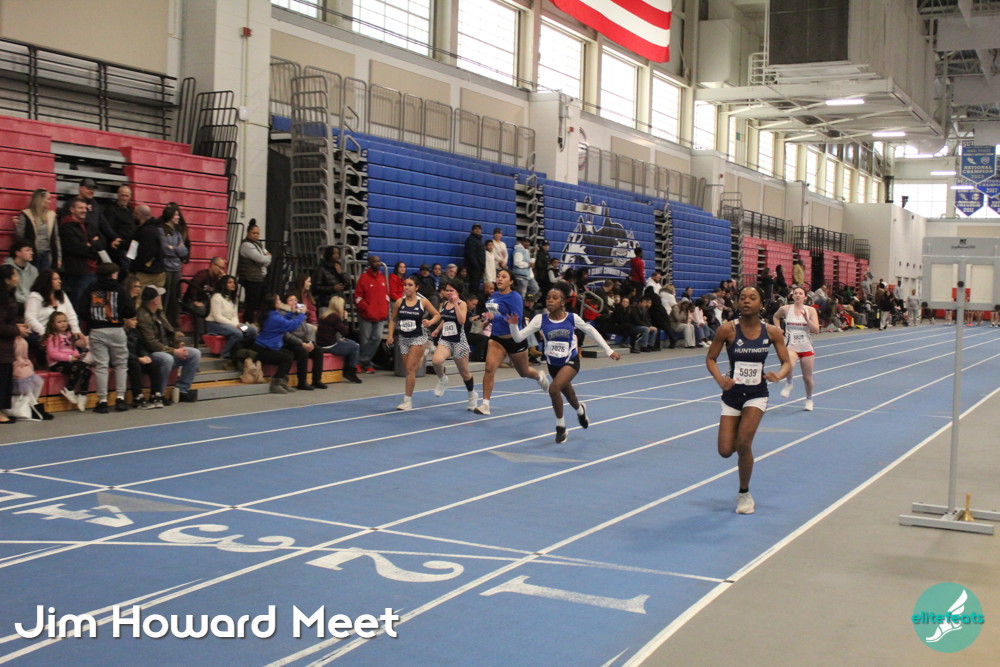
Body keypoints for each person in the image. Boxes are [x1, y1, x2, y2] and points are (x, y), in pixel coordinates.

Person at [706, 285, 792, 514]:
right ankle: (739, 440)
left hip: (757, 394)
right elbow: (711, 359)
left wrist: (779, 375)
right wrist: (720, 380)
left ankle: (744, 494)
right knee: (726, 450)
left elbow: (786, 362)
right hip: (731, 395)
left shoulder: (772, 332)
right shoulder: (727, 330)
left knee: (744, 442)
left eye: (752, 298)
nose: (746, 301)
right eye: (742, 297)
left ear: (761, 304)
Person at [509, 285, 621, 442]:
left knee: (554, 389)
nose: (550, 301)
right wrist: (513, 325)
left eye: (555, 298)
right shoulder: (540, 319)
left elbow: (591, 331)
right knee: (570, 395)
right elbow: (518, 338)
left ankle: (560, 427)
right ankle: (580, 410)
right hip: (553, 364)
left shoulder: (572, 318)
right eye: (548, 298)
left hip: (570, 360)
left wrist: (608, 350)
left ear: (562, 302)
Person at [473, 269, 550, 415]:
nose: (500, 279)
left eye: (504, 277)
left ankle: (539, 376)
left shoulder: (515, 297)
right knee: (489, 369)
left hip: (515, 339)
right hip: (497, 339)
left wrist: (494, 317)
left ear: (511, 281)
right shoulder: (494, 296)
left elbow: (516, 319)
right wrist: (487, 320)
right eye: (498, 276)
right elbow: (494, 314)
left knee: (524, 372)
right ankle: (485, 405)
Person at [80, 263, 135, 413]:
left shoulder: (92, 289)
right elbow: (131, 311)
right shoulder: (120, 289)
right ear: (113, 274)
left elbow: (82, 310)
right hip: (116, 329)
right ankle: (120, 398)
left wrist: (93, 318)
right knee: (121, 364)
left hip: (97, 329)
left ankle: (102, 401)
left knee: (101, 365)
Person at [136, 286, 201, 404]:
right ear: (155, 300)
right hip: (152, 353)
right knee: (167, 359)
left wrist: (178, 343)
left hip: (167, 349)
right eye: (159, 296)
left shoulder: (159, 313)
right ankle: (159, 393)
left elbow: (170, 332)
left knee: (195, 353)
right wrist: (174, 351)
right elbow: (151, 343)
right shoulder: (142, 316)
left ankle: (182, 390)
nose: (161, 298)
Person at [387, 275, 439, 411]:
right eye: (405, 285)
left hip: (418, 337)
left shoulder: (423, 302)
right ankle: (424, 353)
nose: (406, 287)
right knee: (411, 369)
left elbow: (437, 315)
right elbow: (393, 320)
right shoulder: (399, 302)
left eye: (410, 285)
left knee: (410, 369)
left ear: (416, 287)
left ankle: (407, 400)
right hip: (403, 338)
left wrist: (430, 322)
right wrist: (390, 335)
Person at [427, 279, 478, 410]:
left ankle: (472, 394)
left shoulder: (462, 304)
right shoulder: (444, 304)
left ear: (458, 292)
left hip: (459, 341)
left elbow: (461, 321)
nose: (448, 293)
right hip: (446, 340)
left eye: (451, 291)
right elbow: (445, 319)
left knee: (464, 373)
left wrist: (455, 304)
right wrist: (436, 329)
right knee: (436, 361)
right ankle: (442, 379)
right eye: (447, 290)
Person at [773, 286, 820, 410]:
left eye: (800, 293)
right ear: (792, 296)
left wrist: (807, 320)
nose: (798, 295)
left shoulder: (810, 310)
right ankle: (789, 383)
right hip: (791, 346)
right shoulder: (785, 309)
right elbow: (775, 317)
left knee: (807, 378)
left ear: (805, 297)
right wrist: (778, 328)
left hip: (806, 347)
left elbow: (816, 330)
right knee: (789, 364)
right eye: (796, 293)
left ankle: (809, 399)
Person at [58, 197, 106, 310]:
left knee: (98, 306)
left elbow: (103, 242)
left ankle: (96, 322)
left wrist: (90, 245)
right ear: (72, 209)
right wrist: (93, 244)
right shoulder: (66, 227)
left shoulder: (89, 225)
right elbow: (78, 249)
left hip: (95, 272)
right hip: (79, 274)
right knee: (78, 305)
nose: (84, 210)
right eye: (80, 208)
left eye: (85, 208)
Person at [253, 292, 306, 394]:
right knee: (286, 358)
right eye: (278, 300)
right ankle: (276, 383)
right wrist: (301, 315)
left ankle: (282, 381)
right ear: (272, 303)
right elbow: (291, 326)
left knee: (290, 354)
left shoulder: (271, 314)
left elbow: (283, 320)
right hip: (263, 349)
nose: (280, 301)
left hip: (267, 346)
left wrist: (291, 313)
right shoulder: (274, 317)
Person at [43, 311, 91, 412]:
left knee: (86, 367)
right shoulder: (52, 337)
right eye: (59, 322)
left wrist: (77, 355)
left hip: (70, 361)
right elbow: (52, 353)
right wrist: (69, 358)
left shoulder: (69, 335)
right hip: (57, 363)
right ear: (53, 324)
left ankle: (83, 394)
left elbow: (73, 349)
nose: (63, 324)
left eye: (64, 321)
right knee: (77, 367)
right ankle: (69, 389)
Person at [0, 266, 30, 423]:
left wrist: (16, 326)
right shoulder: (2, 300)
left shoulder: (9, 296)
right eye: (15, 275)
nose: (17, 278)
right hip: (2, 346)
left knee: (5, 378)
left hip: (7, 345)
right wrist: (16, 330)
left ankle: (2, 409)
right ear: (6, 280)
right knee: (1, 378)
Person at [205, 274, 257, 362]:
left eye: (234, 282)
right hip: (215, 324)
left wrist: (237, 324)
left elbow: (234, 315)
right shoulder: (216, 297)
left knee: (251, 330)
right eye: (230, 282)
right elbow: (218, 317)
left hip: (231, 324)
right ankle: (225, 354)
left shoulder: (234, 298)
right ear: (224, 284)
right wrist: (236, 325)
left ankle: (238, 351)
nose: (233, 284)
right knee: (237, 333)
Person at [281, 294, 327, 391]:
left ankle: (317, 380)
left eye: (295, 300)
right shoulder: (282, 314)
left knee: (318, 350)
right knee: (302, 351)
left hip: (302, 340)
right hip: (288, 343)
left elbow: (307, 329)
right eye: (290, 300)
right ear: (285, 302)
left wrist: (310, 342)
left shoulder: (299, 313)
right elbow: (286, 335)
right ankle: (302, 382)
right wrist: (301, 343)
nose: (294, 302)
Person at [354, 254, 389, 374]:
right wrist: (367, 308)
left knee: (377, 338)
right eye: (374, 261)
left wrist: (384, 308)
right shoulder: (364, 278)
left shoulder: (382, 278)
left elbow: (386, 296)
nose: (377, 263)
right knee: (365, 340)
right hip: (366, 316)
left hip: (380, 315)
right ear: (369, 263)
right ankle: (366, 363)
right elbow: (358, 297)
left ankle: (361, 361)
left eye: (379, 261)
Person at [316, 296, 363, 383]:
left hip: (321, 343)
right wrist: (345, 319)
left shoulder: (324, 315)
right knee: (355, 346)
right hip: (329, 345)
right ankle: (350, 371)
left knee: (351, 342)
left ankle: (346, 369)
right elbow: (345, 332)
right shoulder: (335, 317)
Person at [123, 315, 164, 409]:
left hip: (137, 357)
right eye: (133, 319)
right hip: (124, 359)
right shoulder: (119, 333)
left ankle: (155, 395)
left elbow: (141, 347)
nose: (136, 322)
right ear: (125, 320)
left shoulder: (136, 331)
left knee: (154, 364)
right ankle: (138, 397)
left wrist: (145, 356)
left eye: (136, 319)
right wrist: (137, 358)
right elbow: (121, 351)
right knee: (135, 365)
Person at [160, 203, 190, 328]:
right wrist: (176, 249)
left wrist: (174, 248)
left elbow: (184, 251)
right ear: (170, 216)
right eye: (176, 215)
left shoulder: (177, 233)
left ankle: (174, 325)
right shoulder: (161, 230)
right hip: (166, 268)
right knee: (165, 298)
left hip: (176, 268)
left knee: (175, 298)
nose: (178, 217)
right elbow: (165, 249)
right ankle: (163, 325)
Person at [15, 188, 60, 272]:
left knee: (45, 277)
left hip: (47, 253)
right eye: (48, 199)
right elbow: (19, 236)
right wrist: (17, 226)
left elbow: (56, 237)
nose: (50, 202)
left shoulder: (51, 215)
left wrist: (58, 257)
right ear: (40, 199)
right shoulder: (26, 214)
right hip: (31, 253)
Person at [237, 221, 271, 325]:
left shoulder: (258, 244)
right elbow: (261, 259)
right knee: (251, 304)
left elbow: (267, 259)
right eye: (254, 233)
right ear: (248, 233)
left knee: (263, 303)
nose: (256, 235)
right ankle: (247, 324)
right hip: (250, 278)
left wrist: (265, 259)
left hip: (259, 277)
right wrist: (266, 258)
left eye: (258, 233)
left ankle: (260, 324)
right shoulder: (246, 245)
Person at [103, 185, 137, 274]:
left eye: (126, 196)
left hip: (131, 247)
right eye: (122, 195)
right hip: (118, 247)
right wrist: (116, 239)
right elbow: (108, 228)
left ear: (130, 197)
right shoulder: (111, 210)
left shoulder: (131, 211)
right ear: (118, 195)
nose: (124, 198)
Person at [131, 204, 164, 287]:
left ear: (139, 215)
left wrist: (134, 268)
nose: (133, 216)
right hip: (159, 272)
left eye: (134, 213)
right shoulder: (157, 228)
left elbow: (143, 252)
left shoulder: (144, 231)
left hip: (145, 273)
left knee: (138, 293)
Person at [4, 240, 39, 305]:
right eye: (27, 250)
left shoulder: (34, 270)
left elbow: (37, 289)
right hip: (14, 303)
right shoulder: (6, 269)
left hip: (31, 302)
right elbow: (8, 292)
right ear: (18, 253)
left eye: (31, 250)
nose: (32, 253)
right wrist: (27, 301)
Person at [463, 223, 486, 294]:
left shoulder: (479, 240)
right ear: (472, 230)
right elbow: (471, 255)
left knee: (476, 287)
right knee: (473, 287)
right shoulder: (471, 240)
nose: (478, 230)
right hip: (473, 269)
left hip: (478, 269)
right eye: (476, 229)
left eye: (479, 229)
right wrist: (477, 267)